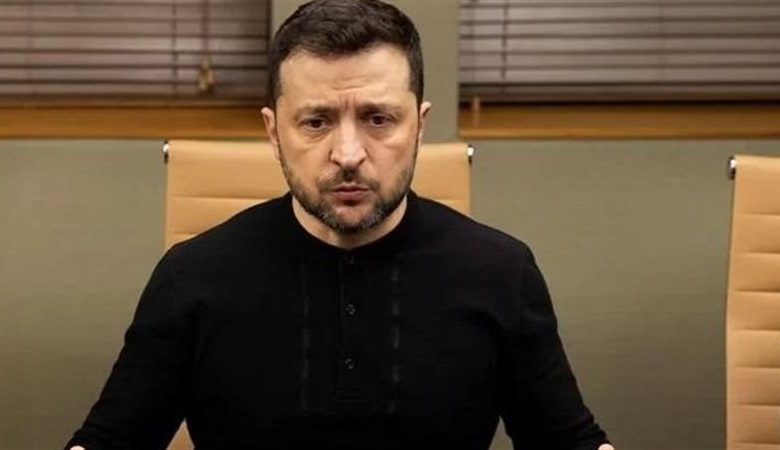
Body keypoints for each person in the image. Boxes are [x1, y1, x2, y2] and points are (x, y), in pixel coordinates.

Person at [66, 1, 615, 449]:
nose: (348, 153)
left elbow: (568, 440)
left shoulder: (502, 272)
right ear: (274, 132)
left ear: (419, 126)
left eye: (378, 119)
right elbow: (110, 439)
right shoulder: (192, 275)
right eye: (316, 121)